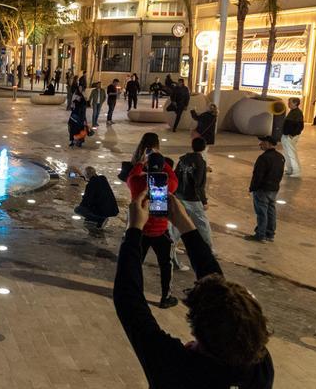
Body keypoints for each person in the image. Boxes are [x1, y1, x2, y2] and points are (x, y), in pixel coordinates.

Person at [114, 190, 274, 388]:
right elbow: (129, 302)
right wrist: (184, 223)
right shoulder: (258, 367)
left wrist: (134, 228)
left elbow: (129, 301)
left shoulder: (177, 368)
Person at [127, 135, 179, 308]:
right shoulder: (167, 184)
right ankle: (166, 297)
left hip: (141, 229)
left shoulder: (137, 182)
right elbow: (174, 178)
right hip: (160, 230)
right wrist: (161, 163)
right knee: (166, 265)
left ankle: (132, 294)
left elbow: (131, 175)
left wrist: (142, 162)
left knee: (136, 263)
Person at [174, 137, 213, 252]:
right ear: (204, 147)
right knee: (202, 224)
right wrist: (204, 201)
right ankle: (208, 248)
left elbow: (177, 175)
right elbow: (199, 184)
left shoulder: (183, 159)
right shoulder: (200, 162)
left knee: (179, 221)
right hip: (193, 198)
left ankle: (172, 244)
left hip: (180, 195)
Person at [245, 136, 285, 243]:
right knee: (271, 211)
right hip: (274, 189)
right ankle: (270, 234)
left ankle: (260, 235)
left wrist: (252, 188)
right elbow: (280, 174)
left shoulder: (263, 158)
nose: (260, 144)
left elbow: (258, 175)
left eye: (262, 142)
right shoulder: (280, 157)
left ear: (268, 143)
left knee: (262, 212)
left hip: (262, 189)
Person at [281, 97, 304, 178]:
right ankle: (290, 169)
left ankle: (296, 171)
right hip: (286, 135)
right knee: (287, 153)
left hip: (290, 136)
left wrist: (292, 134)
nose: (288, 104)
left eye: (290, 102)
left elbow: (300, 126)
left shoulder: (297, 113)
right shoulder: (293, 111)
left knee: (291, 154)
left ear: (295, 103)